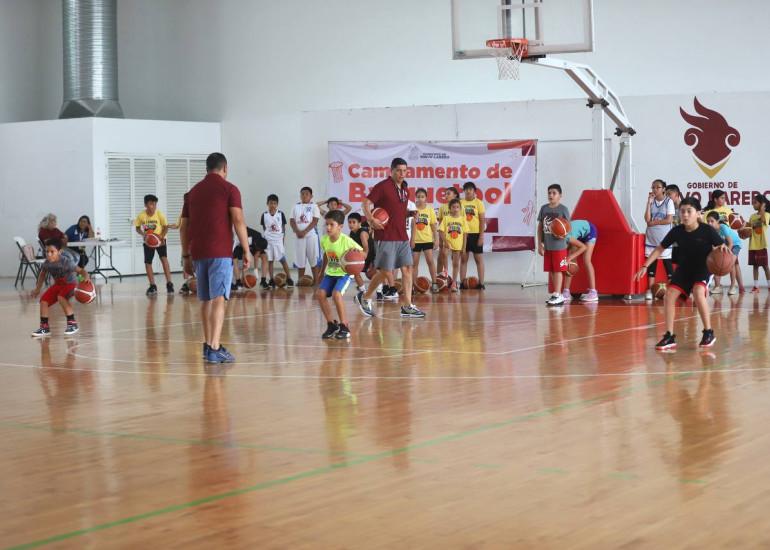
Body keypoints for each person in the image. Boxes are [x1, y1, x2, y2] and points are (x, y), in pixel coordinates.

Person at [180, 152, 250, 364]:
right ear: (225, 168)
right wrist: (246, 249)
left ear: (207, 168)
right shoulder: (230, 189)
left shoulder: (192, 192)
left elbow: (183, 227)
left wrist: (185, 255)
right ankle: (214, 347)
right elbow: (238, 219)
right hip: (219, 251)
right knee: (219, 298)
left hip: (198, 252)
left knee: (205, 299)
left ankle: (208, 344)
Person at [635, 197, 726, 350]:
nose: (685, 215)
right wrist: (645, 265)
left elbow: (722, 246)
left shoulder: (707, 230)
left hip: (702, 268)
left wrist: (723, 250)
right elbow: (660, 248)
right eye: (682, 211)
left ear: (698, 213)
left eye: (689, 211)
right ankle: (669, 336)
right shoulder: (677, 231)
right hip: (684, 269)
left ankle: (708, 332)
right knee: (669, 295)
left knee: (698, 292)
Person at [354, 157, 425, 318]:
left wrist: (408, 214)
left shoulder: (405, 189)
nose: (402, 173)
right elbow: (365, 203)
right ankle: (365, 297)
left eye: (404, 171)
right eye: (398, 170)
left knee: (407, 269)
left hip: (402, 236)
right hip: (385, 236)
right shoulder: (383, 186)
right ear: (391, 171)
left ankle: (407, 306)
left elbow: (397, 211)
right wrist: (371, 219)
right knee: (386, 272)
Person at [317, 210, 363, 340]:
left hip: (344, 274)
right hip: (330, 273)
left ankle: (344, 326)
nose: (328, 227)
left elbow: (363, 254)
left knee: (336, 295)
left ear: (340, 226)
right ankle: (331, 325)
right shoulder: (324, 240)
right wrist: (321, 271)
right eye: (326, 224)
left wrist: (356, 253)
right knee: (320, 294)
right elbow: (326, 255)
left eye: (331, 224)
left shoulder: (347, 241)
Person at [30, 238, 90, 337]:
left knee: (61, 297)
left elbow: (81, 271)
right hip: (58, 284)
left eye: (52, 252)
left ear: (59, 251)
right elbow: (42, 275)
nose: (49, 254)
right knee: (44, 301)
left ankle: (72, 324)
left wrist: (86, 277)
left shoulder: (66, 262)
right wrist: (37, 289)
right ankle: (44, 327)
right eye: (47, 251)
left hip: (70, 284)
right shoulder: (47, 263)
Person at [537, 183, 571, 306]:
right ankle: (557, 294)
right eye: (549, 193)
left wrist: (563, 234)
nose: (551, 195)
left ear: (560, 195)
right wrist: (539, 244)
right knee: (551, 269)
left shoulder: (563, 209)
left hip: (559, 246)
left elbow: (568, 227)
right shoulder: (544, 208)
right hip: (548, 245)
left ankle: (558, 294)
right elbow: (540, 227)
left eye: (554, 193)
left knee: (558, 270)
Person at [135, 194, 174, 296]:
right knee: (148, 263)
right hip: (148, 241)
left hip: (160, 240)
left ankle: (169, 284)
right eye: (151, 204)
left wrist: (162, 236)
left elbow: (165, 227)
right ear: (145, 205)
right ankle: (152, 286)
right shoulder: (141, 216)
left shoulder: (159, 214)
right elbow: (137, 228)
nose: (153, 206)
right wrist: (143, 234)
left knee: (164, 259)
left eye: (155, 204)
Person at [643, 179, 675, 300]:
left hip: (664, 238)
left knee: (668, 265)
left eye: (658, 187)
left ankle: (672, 291)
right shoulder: (652, 202)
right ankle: (650, 290)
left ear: (663, 189)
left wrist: (655, 222)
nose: (655, 189)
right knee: (651, 265)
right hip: (651, 238)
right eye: (653, 187)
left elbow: (669, 220)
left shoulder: (668, 201)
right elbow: (647, 219)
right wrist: (648, 203)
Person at [261, 194, 295, 288]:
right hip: (268, 241)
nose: (272, 205)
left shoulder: (280, 214)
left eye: (274, 203)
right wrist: (267, 237)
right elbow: (264, 228)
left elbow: (283, 229)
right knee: (270, 261)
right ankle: (271, 279)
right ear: (267, 204)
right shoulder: (264, 215)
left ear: (277, 204)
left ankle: (289, 278)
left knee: (283, 260)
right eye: (271, 203)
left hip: (278, 241)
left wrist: (282, 241)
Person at [706, 211, 743, 295]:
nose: (709, 223)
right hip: (724, 245)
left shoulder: (723, 228)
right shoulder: (711, 231)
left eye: (712, 221)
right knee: (715, 261)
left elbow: (730, 243)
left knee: (731, 263)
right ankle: (718, 286)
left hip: (735, 244)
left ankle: (733, 286)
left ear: (717, 221)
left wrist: (726, 256)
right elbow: (713, 246)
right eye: (708, 221)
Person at [562, 219, 599, 302]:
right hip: (577, 235)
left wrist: (570, 257)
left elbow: (584, 247)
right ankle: (566, 292)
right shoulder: (560, 238)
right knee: (570, 262)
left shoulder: (568, 237)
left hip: (589, 231)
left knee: (586, 260)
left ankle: (593, 293)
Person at [410, 188, 439, 292]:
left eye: (422, 197)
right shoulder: (412, 210)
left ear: (426, 198)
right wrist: (412, 240)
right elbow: (411, 226)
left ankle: (434, 283)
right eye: (418, 197)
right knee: (414, 264)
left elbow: (433, 226)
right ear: (415, 198)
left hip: (427, 240)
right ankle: (413, 286)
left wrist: (436, 239)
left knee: (430, 261)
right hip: (415, 240)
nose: (420, 199)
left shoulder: (430, 209)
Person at [290, 186, 322, 282]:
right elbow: (292, 221)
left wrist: (304, 231)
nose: (304, 195)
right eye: (302, 194)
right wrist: (297, 231)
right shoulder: (295, 206)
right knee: (300, 261)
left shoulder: (314, 206)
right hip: (299, 237)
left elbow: (315, 221)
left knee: (313, 259)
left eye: (307, 194)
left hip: (311, 236)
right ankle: (300, 280)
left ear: (311, 196)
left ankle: (316, 281)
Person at [459, 181, 486, 289]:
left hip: (476, 234)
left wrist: (481, 236)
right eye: (466, 189)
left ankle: (481, 283)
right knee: (463, 259)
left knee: (478, 259)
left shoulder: (479, 203)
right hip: (463, 235)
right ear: (464, 191)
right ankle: (462, 283)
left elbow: (482, 220)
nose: (468, 191)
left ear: (474, 191)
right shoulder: (460, 203)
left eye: (470, 189)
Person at [439, 198, 469, 292]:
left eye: (457, 207)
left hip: (458, 244)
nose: (455, 209)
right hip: (448, 242)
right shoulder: (446, 218)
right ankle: (446, 272)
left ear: (460, 208)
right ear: (450, 208)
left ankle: (454, 283)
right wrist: (445, 241)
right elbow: (441, 231)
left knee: (456, 264)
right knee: (444, 253)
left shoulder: (462, 219)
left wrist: (464, 247)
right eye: (453, 207)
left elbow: (465, 234)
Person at [232, 226, 268, 290]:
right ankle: (238, 282)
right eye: (258, 249)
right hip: (240, 243)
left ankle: (263, 280)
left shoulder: (259, 238)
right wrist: (243, 275)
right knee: (236, 261)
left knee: (264, 257)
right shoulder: (247, 237)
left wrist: (255, 270)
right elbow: (244, 253)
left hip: (250, 243)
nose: (258, 250)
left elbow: (256, 256)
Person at [748, 193, 770, 292]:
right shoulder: (752, 216)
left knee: (765, 266)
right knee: (755, 266)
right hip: (752, 245)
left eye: (755, 203)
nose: (753, 204)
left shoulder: (767, 214)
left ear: (761, 204)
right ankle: (756, 287)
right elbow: (749, 228)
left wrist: (762, 208)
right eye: (752, 203)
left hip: (761, 245)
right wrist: (742, 229)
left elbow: (762, 221)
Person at [436, 186, 460, 277]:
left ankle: (454, 280)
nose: (446, 196)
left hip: (456, 237)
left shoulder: (460, 207)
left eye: (448, 193)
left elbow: (462, 223)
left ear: (455, 195)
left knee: (455, 260)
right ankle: (439, 278)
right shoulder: (442, 207)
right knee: (441, 257)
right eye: (445, 194)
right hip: (445, 237)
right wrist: (440, 239)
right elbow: (440, 224)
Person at [348, 212, 373, 292]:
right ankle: (363, 291)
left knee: (371, 275)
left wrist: (363, 261)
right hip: (362, 255)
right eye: (349, 222)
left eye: (353, 222)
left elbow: (366, 249)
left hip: (371, 256)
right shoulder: (351, 233)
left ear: (359, 223)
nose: (351, 224)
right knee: (355, 271)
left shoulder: (362, 233)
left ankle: (382, 288)